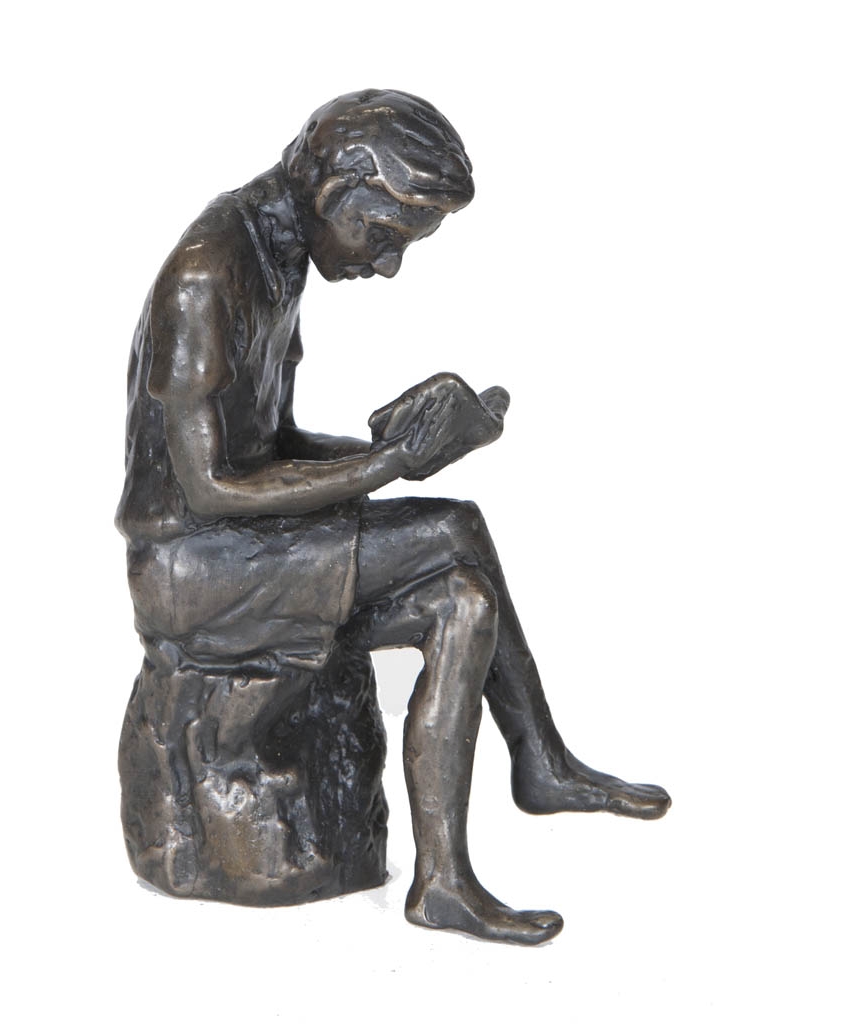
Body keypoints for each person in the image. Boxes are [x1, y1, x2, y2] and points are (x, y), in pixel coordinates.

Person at [116, 89, 670, 944]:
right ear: (338, 191)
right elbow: (211, 489)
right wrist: (387, 466)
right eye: (383, 236)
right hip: (191, 565)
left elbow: (270, 445)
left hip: (236, 546)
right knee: (452, 528)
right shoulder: (209, 270)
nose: (387, 266)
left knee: (464, 601)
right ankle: (538, 765)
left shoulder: (274, 254)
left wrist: (396, 444)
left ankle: (452, 871)